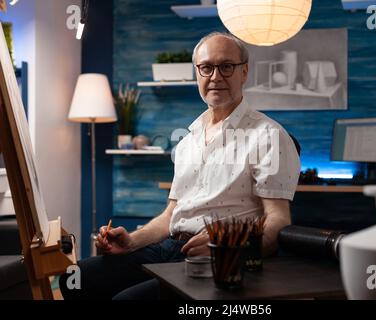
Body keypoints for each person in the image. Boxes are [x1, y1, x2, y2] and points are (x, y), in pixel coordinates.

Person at [59, 31, 300, 300]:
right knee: (74, 279)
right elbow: (171, 215)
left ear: (244, 72)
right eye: (206, 67)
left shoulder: (269, 135)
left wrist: (229, 249)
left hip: (220, 260)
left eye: (227, 66)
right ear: (197, 73)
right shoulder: (188, 141)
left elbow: (279, 221)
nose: (215, 77)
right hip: (169, 248)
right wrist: (131, 241)